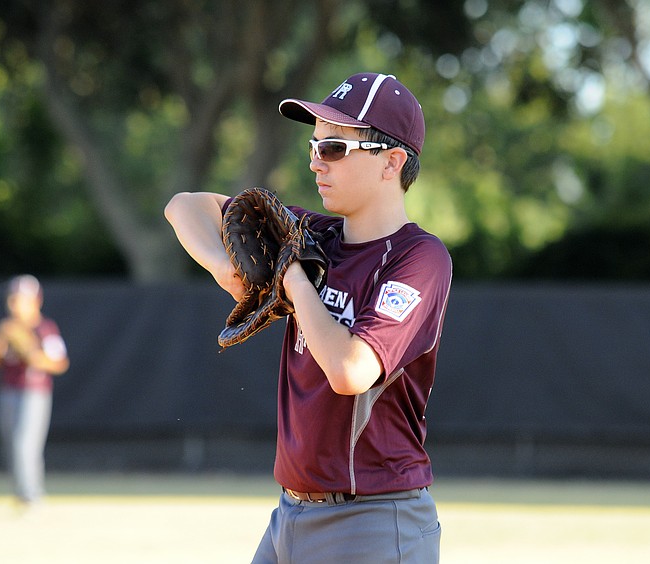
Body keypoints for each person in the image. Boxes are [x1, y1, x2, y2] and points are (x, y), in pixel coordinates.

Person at [165, 72, 452, 563]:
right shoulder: (316, 233)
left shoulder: (418, 258)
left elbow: (349, 371)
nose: (318, 162)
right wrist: (222, 266)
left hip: (375, 521)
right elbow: (185, 206)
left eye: (335, 147)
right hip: (289, 514)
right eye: (314, 147)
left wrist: (293, 279)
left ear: (392, 162)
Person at [0, 274, 69, 510]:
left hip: (34, 391)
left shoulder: (44, 328)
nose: (13, 303)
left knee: (25, 443)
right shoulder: (6, 328)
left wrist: (29, 351)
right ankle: (21, 494)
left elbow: (59, 362)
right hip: (9, 389)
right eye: (12, 298)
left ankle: (32, 495)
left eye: (19, 298)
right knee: (11, 442)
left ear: (35, 300)